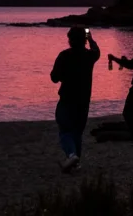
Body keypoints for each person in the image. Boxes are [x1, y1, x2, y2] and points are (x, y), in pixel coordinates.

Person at [51, 26, 100, 172]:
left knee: (65, 130)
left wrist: (63, 75)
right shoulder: (89, 56)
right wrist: (91, 39)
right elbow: (97, 51)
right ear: (84, 40)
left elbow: (54, 77)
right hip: (84, 100)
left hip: (67, 98)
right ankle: (76, 162)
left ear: (70, 40)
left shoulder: (64, 55)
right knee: (77, 132)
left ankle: (72, 155)